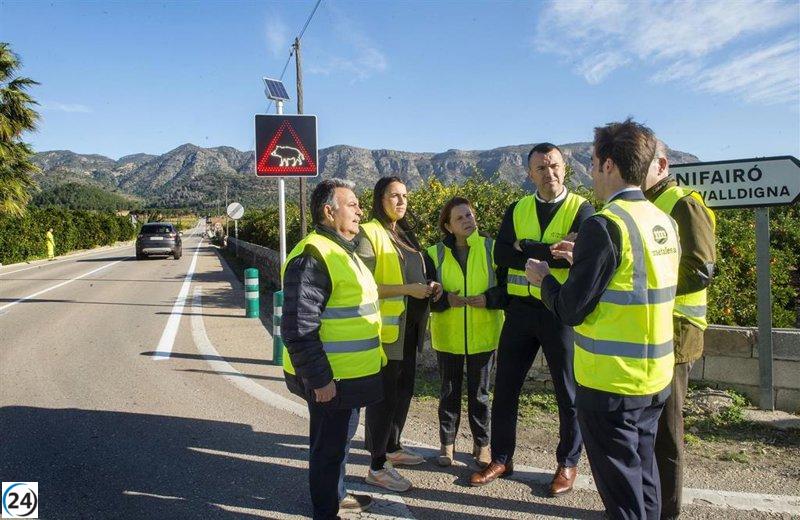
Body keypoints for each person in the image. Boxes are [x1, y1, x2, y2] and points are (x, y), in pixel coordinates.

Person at [526, 118, 680, 519]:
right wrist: (587, 262)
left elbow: (571, 309)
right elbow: (635, 280)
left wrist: (543, 280)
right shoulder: (663, 221)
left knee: (621, 496)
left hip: (611, 385)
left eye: (593, 163)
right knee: (645, 477)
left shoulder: (604, 224)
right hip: (655, 379)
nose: (590, 171)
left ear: (609, 164)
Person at [470, 143, 594, 496]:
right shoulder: (519, 207)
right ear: (529, 174)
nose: (548, 173)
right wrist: (549, 251)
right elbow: (502, 253)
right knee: (505, 388)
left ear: (565, 168)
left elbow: (581, 256)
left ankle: (567, 463)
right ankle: (501, 458)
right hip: (520, 313)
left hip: (559, 312)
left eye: (553, 165)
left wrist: (528, 247)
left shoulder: (581, 209)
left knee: (567, 393)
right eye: (540, 168)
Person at [281, 179, 385, 520]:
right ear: (329, 211)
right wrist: (320, 379)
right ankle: (326, 511)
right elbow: (299, 328)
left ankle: (337, 495)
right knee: (328, 449)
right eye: (352, 204)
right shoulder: (314, 254)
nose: (360, 211)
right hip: (331, 378)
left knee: (338, 444)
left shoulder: (343, 250)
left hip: (349, 375)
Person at [644, 140, 716, 520]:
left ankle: (667, 513)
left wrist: (643, 284)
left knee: (667, 431)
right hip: (652, 330)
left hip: (677, 331)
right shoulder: (646, 205)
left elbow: (701, 269)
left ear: (662, 164)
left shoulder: (683, 203)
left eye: (643, 163)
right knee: (648, 428)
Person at [357, 176, 442, 492]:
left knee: (404, 390)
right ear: (381, 199)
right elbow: (363, 286)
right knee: (384, 397)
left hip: (412, 328)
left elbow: (418, 275)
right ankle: (377, 465)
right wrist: (409, 289)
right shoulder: (370, 233)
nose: (402, 201)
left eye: (405, 196)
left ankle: (392, 447)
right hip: (388, 331)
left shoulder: (405, 234)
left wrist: (431, 287)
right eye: (395, 196)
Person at [426, 197, 507, 468]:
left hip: (483, 335)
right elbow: (424, 294)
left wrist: (489, 299)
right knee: (448, 392)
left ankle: (482, 445)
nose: (467, 221)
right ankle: (446, 445)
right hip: (447, 335)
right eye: (460, 218)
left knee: (480, 394)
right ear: (448, 227)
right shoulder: (433, 253)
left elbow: (507, 288)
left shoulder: (492, 248)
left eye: (470, 215)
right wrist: (444, 299)